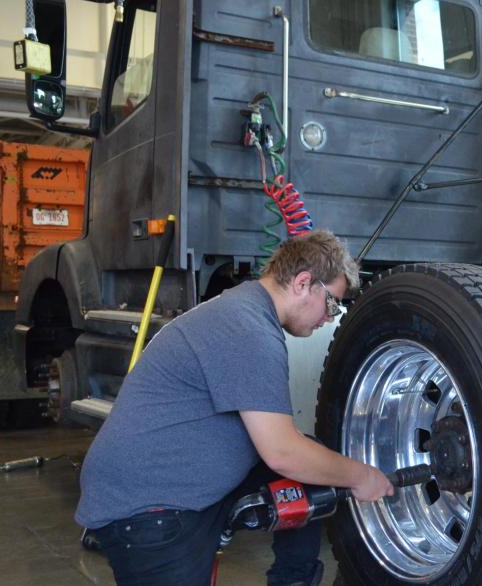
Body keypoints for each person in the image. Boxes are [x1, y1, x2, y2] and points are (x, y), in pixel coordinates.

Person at [75, 230, 393, 585]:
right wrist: (363, 476)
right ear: (304, 283)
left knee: (313, 471)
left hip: (176, 483)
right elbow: (283, 453)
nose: (330, 318)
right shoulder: (249, 330)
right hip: (149, 508)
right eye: (332, 304)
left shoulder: (244, 310)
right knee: (302, 461)